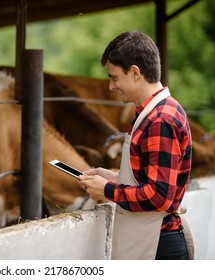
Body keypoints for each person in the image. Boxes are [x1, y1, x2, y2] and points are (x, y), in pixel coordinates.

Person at [77, 31, 192, 260]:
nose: (111, 86)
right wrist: (112, 177)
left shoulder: (160, 119)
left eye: (114, 77)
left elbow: (160, 196)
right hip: (151, 240)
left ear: (135, 72)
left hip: (158, 247)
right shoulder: (153, 113)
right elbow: (151, 179)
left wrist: (107, 190)